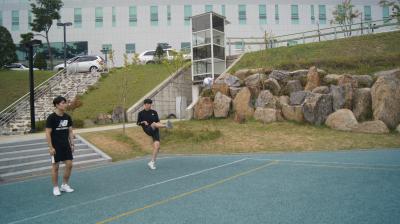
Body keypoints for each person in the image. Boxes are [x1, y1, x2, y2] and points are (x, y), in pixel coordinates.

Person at [45, 96, 75, 196]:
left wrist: (72, 143)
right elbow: (48, 133)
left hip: (66, 146)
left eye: (65, 102)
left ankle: (64, 185)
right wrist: (50, 147)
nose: (65, 104)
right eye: (63, 103)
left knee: (69, 164)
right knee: (55, 167)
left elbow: (70, 131)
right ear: (57, 105)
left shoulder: (67, 117)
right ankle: (55, 187)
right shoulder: (51, 118)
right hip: (56, 147)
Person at [137, 98, 172, 170]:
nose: (149, 106)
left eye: (150, 104)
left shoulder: (154, 112)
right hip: (147, 129)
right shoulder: (140, 113)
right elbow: (138, 123)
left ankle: (152, 162)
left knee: (157, 146)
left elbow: (158, 122)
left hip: (155, 130)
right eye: (148, 104)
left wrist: (160, 124)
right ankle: (166, 126)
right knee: (153, 124)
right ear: (145, 105)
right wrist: (143, 122)